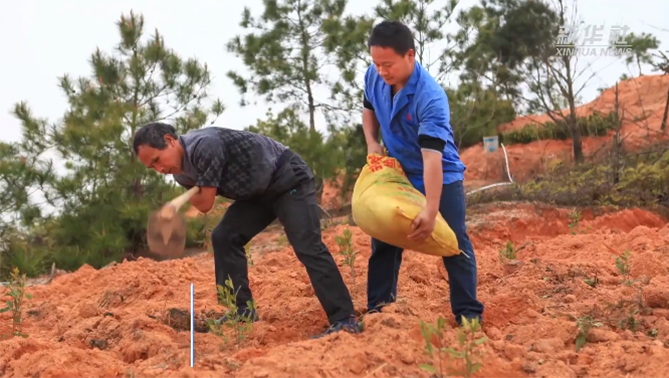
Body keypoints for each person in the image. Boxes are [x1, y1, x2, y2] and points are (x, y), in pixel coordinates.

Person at [132, 122, 360, 338]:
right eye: (152, 167)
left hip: (288, 178)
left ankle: (344, 319)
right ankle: (242, 312)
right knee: (224, 237)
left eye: (157, 160)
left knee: (307, 245)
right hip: (257, 195)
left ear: (170, 140)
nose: (160, 169)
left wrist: (191, 193)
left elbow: (207, 200)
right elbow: (202, 207)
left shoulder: (204, 145)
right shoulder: (180, 174)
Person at [362, 20, 485, 325]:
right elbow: (368, 107)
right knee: (384, 240)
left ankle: (468, 314)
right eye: (376, 63)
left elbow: (433, 160)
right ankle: (380, 310)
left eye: (387, 64)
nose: (381, 71)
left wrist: (431, 209)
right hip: (399, 171)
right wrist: (372, 142)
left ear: (410, 55)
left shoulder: (430, 98)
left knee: (455, 244)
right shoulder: (374, 75)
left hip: (440, 173)